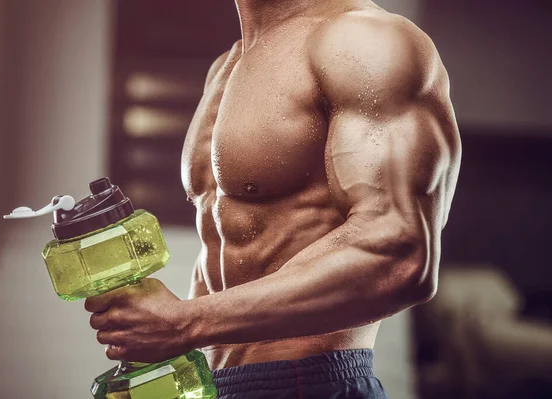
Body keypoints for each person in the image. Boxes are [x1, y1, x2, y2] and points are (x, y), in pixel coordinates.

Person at [84, 0, 461, 397]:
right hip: (216, 385)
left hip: (308, 383)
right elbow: (227, 255)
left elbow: (398, 252)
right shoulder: (227, 67)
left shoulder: (366, 41)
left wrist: (185, 323)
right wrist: (166, 357)